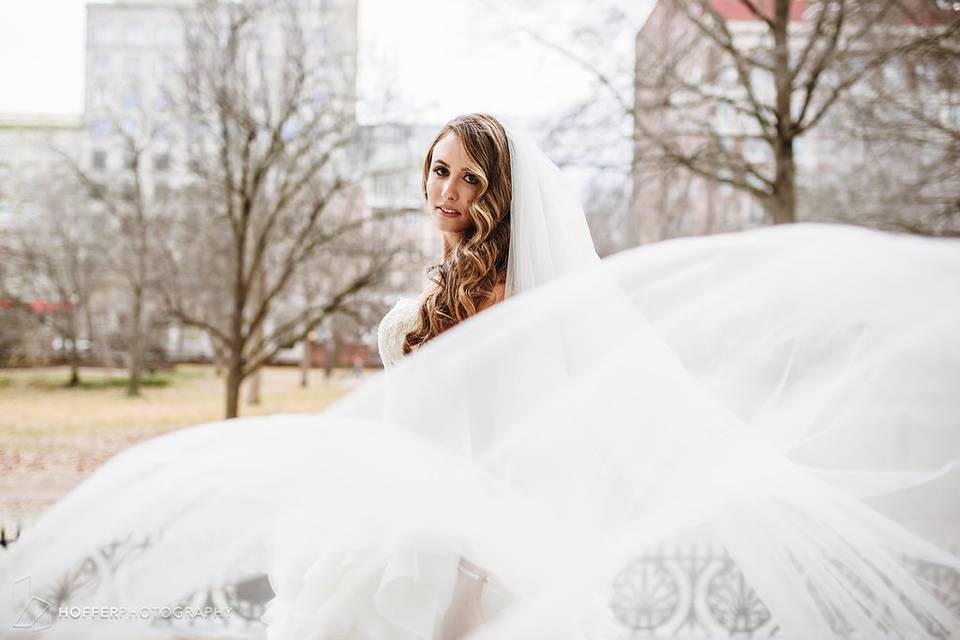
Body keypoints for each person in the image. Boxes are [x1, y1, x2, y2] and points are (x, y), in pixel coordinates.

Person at [1, 114, 958, 640]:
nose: (446, 192)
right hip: (385, 521)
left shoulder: (502, 298)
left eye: (468, 179)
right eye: (438, 170)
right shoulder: (448, 281)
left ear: (498, 196)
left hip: (449, 560)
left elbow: (504, 451)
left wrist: (465, 593)